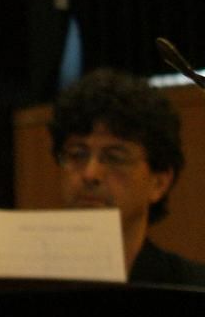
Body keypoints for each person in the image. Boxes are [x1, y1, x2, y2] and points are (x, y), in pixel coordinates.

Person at [50, 66, 205, 283]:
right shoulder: (25, 285)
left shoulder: (191, 290)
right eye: (77, 154)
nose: (90, 174)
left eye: (114, 158)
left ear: (159, 182)